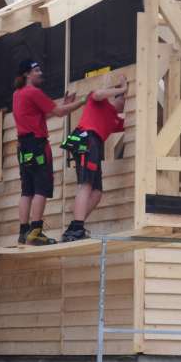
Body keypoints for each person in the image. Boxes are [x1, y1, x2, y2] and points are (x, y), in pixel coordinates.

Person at [12, 60, 85, 246]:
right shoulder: (33, 92)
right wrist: (83, 101)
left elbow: (42, 114)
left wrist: (64, 104)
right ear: (28, 74)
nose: (40, 73)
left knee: (27, 190)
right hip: (37, 145)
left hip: (23, 147)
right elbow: (59, 112)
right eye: (36, 70)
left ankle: (24, 231)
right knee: (41, 189)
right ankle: (35, 232)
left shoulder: (18, 94)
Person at [60, 73, 128, 242]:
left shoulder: (114, 119)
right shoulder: (99, 100)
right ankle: (77, 228)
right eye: (123, 99)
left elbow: (130, 124)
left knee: (96, 193)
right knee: (86, 185)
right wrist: (122, 88)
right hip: (86, 139)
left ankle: (75, 226)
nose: (125, 104)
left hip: (94, 145)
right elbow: (97, 93)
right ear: (115, 98)